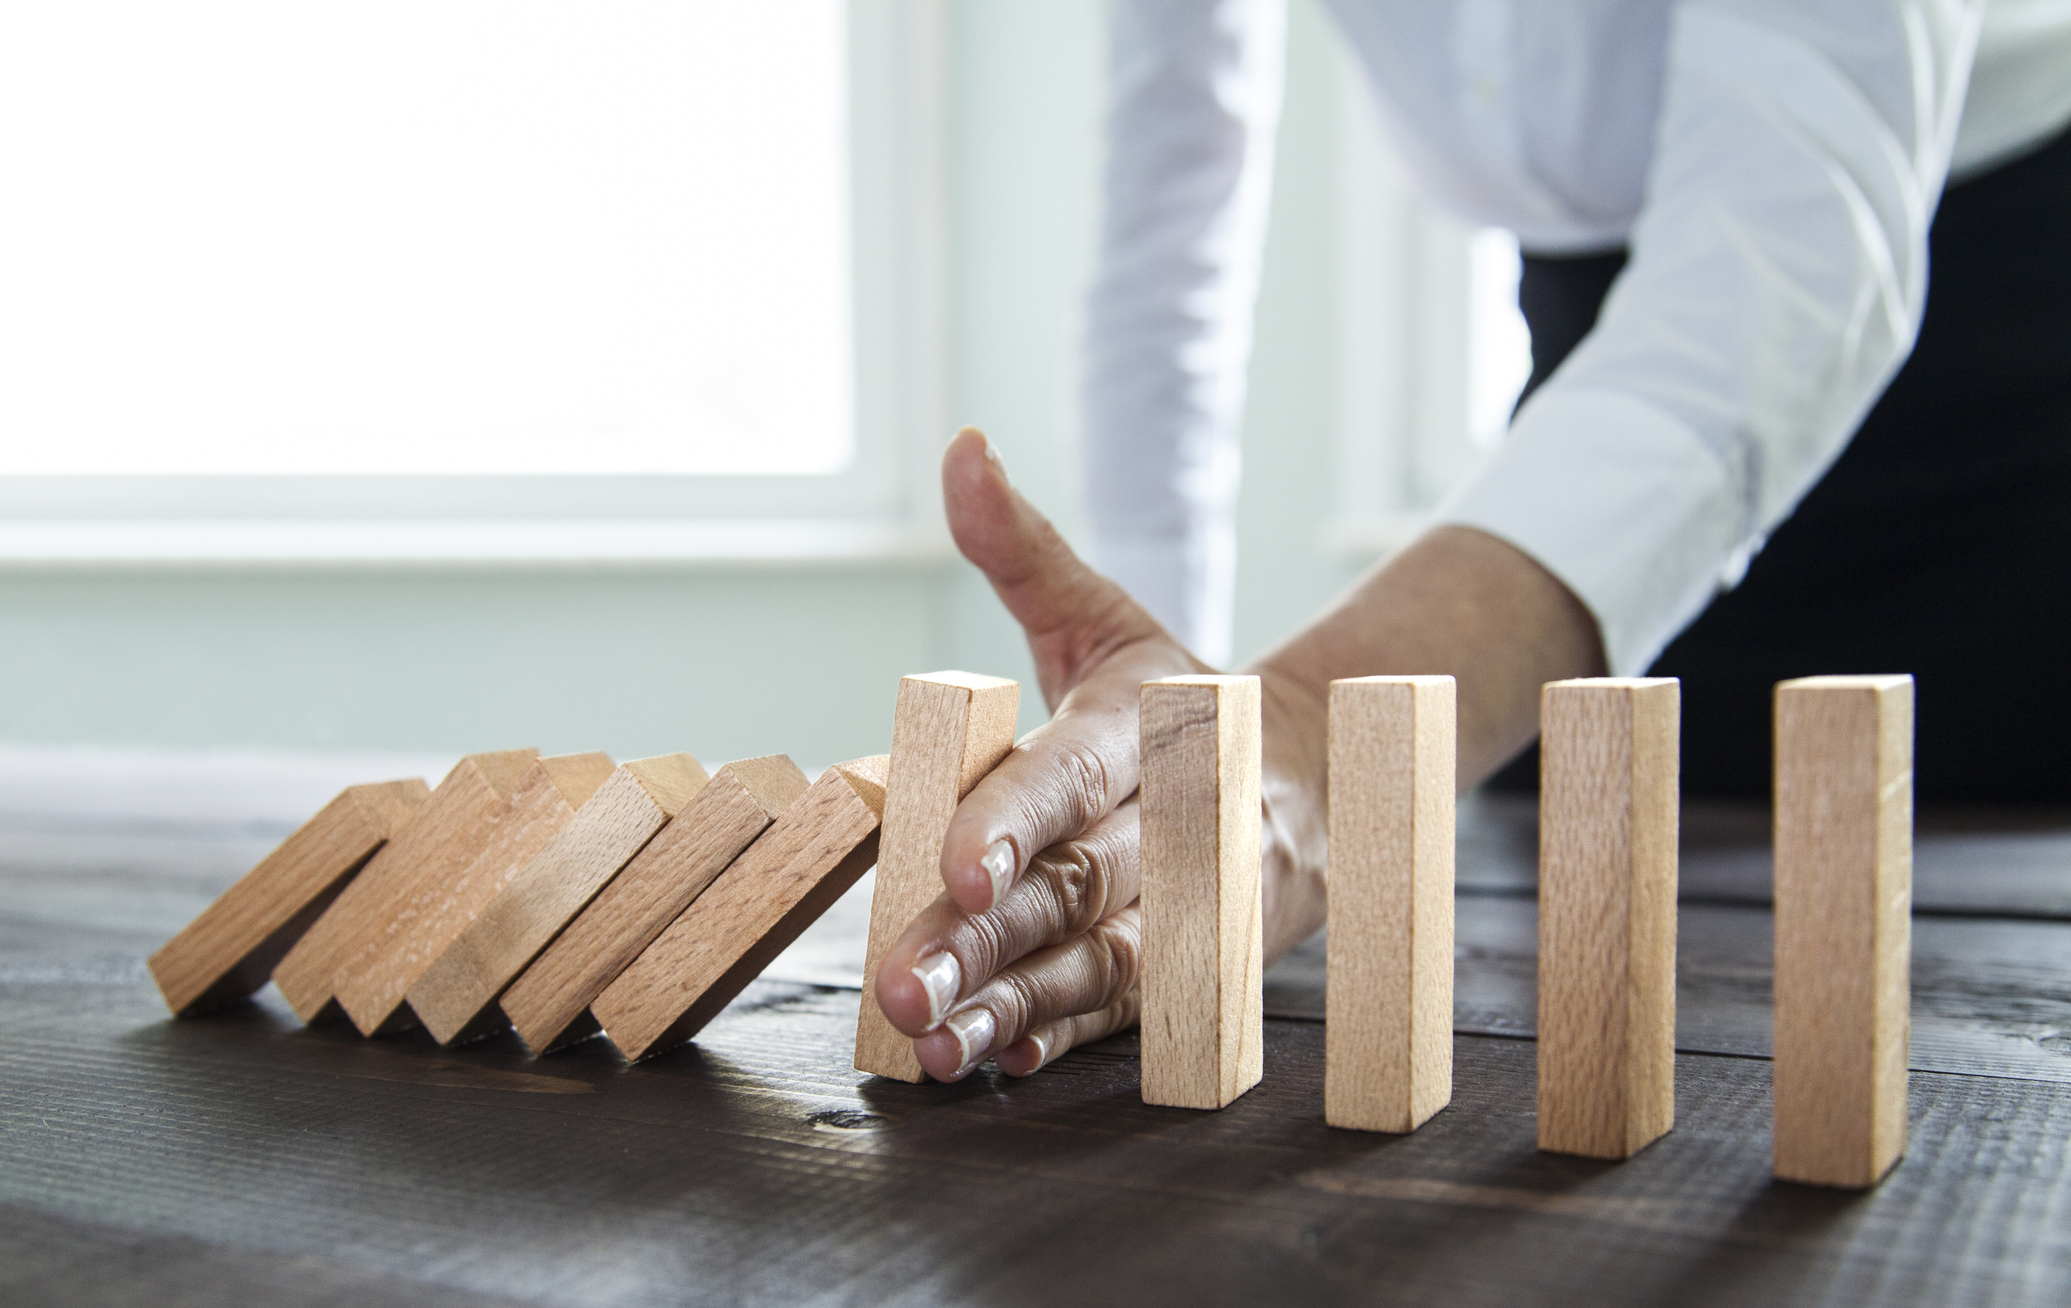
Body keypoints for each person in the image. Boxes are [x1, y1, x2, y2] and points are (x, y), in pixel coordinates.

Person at [872, 0, 2071, 1082]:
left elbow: (1787, 263)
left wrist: (1293, 734)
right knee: (1594, 950)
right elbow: (1163, 222)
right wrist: (1175, 740)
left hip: (2000, 361)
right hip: (1585, 391)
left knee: (1974, 1030)